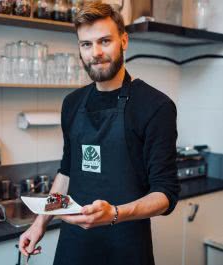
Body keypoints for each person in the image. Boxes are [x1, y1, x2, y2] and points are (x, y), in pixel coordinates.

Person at [19, 2, 180, 265]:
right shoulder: (72, 104)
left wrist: (114, 213)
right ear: (80, 49)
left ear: (124, 41)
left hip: (126, 247)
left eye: (105, 41)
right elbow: (67, 172)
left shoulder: (155, 106)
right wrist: (40, 224)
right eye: (86, 44)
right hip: (74, 245)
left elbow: (165, 194)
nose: (96, 52)